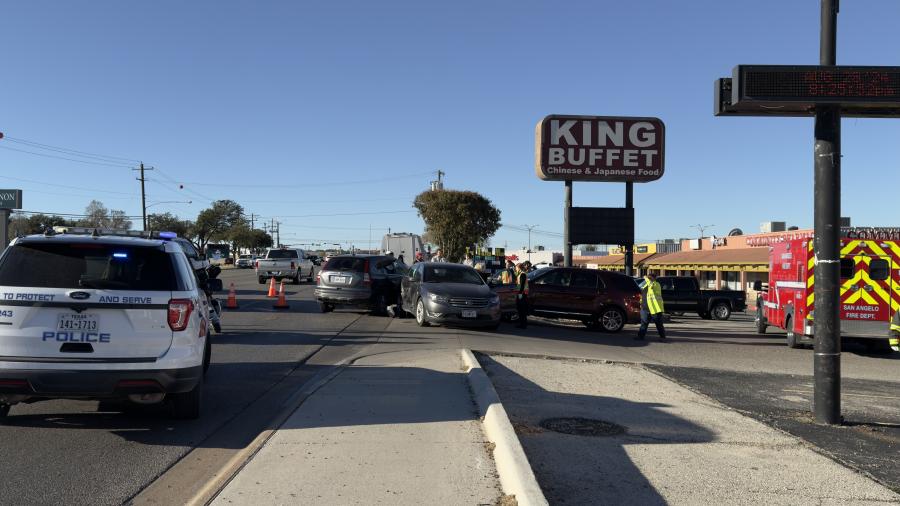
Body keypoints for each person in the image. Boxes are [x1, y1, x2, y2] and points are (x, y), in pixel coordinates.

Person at [635, 272, 666, 340]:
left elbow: (651, 286)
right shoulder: (646, 284)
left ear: (654, 278)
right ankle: (640, 336)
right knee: (644, 323)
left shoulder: (656, 284)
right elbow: (642, 293)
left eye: (650, 277)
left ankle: (662, 337)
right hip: (645, 308)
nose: (649, 278)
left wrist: (646, 278)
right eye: (649, 277)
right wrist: (641, 304)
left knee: (658, 323)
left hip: (655, 308)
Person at [514, 261, 530, 329]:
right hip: (523, 293)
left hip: (522, 294)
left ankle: (523, 324)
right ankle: (523, 324)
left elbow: (522, 285)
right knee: (521, 310)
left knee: (521, 310)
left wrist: (520, 294)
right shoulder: (521, 274)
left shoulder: (522, 274)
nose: (515, 269)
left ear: (519, 268)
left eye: (516, 268)